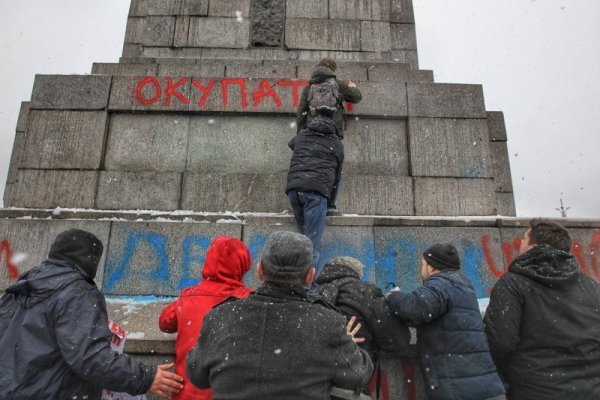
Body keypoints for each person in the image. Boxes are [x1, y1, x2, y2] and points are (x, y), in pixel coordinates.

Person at [186, 231, 373, 400]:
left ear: (260, 271)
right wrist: (346, 342)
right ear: (310, 276)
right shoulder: (327, 323)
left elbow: (197, 376)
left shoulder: (221, 316)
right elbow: (358, 374)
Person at [0, 229, 183, 400]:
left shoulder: (23, 285)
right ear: (89, 259)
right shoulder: (77, 292)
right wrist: (145, 377)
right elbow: (90, 356)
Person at [484, 219, 600, 399]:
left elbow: (499, 342)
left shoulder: (512, 284)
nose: (520, 243)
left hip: (536, 390)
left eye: (524, 238)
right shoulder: (591, 285)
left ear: (534, 245)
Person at [386, 243, 505, 400]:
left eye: (422, 265)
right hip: (485, 387)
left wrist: (393, 296)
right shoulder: (464, 285)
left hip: (459, 390)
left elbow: (414, 308)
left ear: (432, 267)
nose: (421, 270)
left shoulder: (441, 285)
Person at [159, 236, 253, 400]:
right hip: (228, 392)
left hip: (187, 392)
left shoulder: (189, 296)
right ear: (242, 267)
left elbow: (165, 323)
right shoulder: (249, 300)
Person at [309, 256, 412, 397]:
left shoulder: (312, 294)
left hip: (314, 384)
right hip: (351, 381)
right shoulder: (365, 292)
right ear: (357, 274)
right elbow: (397, 341)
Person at [296, 57, 362, 216]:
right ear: (333, 69)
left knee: (312, 169)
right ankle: (330, 205)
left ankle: (309, 201)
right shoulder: (338, 84)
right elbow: (356, 97)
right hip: (332, 135)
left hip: (312, 135)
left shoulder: (309, 88)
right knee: (334, 170)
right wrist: (353, 87)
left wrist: (301, 134)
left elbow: (301, 113)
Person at [286, 110, 343, 272]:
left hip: (294, 191)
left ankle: (294, 282)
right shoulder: (336, 143)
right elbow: (337, 178)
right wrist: (331, 203)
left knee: (304, 240)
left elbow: (291, 144)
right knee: (312, 245)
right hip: (315, 193)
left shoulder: (302, 136)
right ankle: (305, 288)